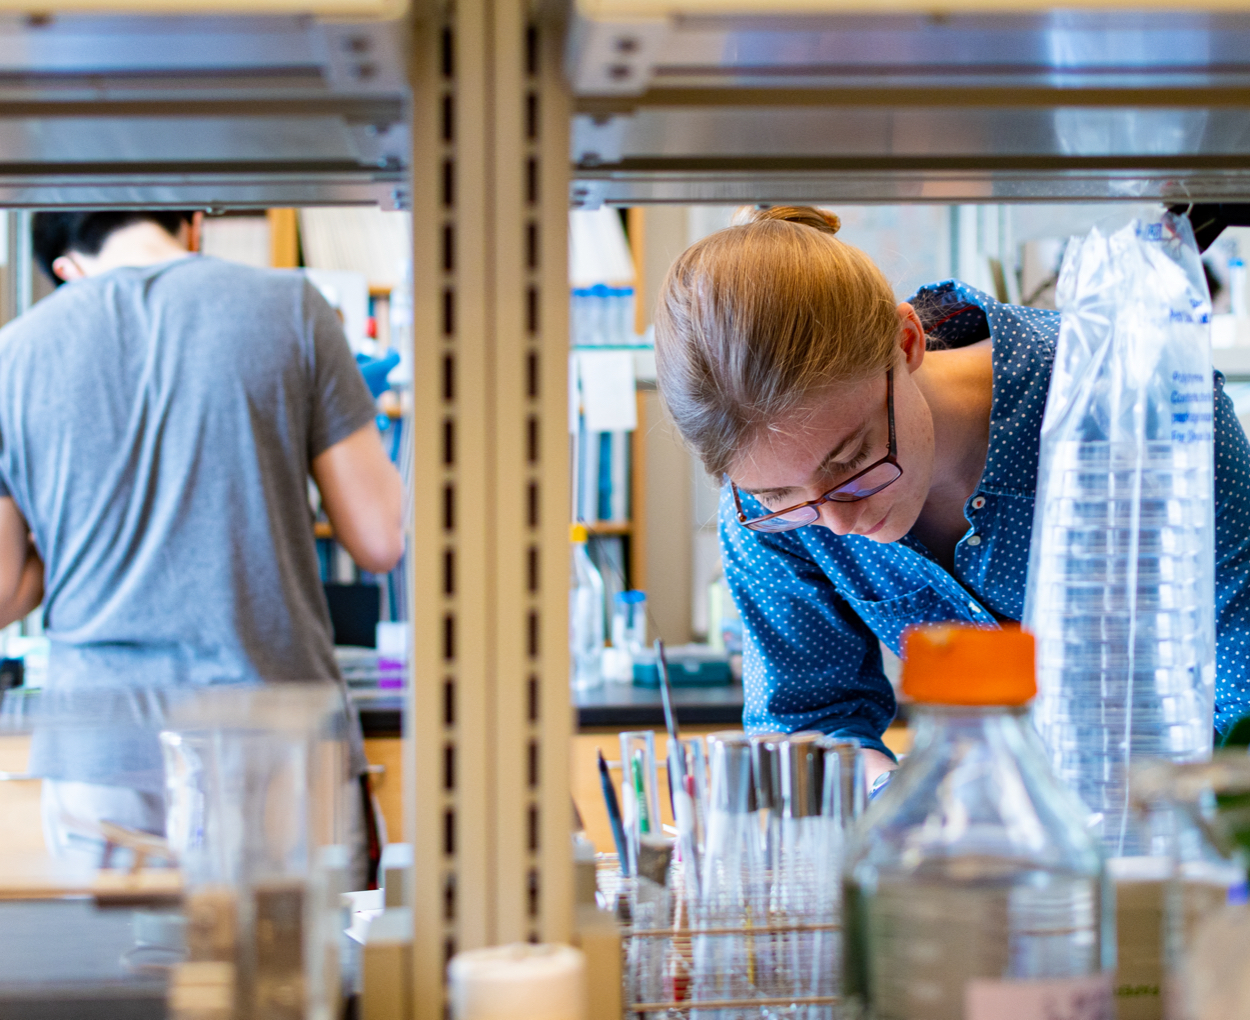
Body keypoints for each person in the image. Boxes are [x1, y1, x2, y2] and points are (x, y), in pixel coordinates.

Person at [654, 205, 1250, 788]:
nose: (835, 522)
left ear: (907, 342)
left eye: (856, 459)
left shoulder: (1130, 402)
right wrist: (906, 803)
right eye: (782, 493)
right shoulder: (771, 513)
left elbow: (1240, 695)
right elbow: (812, 725)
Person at [0, 210, 403, 868]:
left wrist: (84, 524)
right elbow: (379, 538)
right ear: (194, 225)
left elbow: (4, 588)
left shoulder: (13, 354)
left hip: (100, 756)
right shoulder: (291, 308)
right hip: (275, 741)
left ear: (65, 267)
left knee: (115, 974)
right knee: (293, 972)